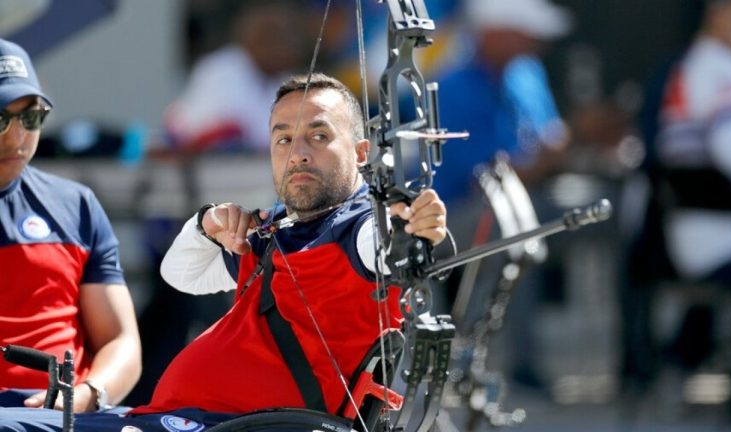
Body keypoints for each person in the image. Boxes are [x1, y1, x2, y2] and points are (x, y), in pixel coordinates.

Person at [0, 73, 448, 431]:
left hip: (244, 424)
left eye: (319, 136)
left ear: (362, 152)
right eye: (283, 139)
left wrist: (414, 224)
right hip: (177, 417)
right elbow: (183, 276)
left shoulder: (358, 230)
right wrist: (205, 224)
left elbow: (390, 243)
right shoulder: (278, 228)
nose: (298, 154)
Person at [633, 0, 731, 409]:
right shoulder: (720, 66)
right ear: (722, 16)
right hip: (720, 240)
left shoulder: (710, 64)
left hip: (713, 236)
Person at [433, 0, 572, 389]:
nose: (535, 44)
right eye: (525, 34)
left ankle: (638, 365)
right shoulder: (450, 86)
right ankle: (479, 360)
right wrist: (547, 159)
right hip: (451, 215)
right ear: (493, 33)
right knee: (512, 234)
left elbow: (550, 138)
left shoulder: (526, 73)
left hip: (525, 199)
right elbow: (479, 177)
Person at [0, 38, 142, 412]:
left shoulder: (76, 205)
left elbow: (121, 340)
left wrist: (88, 396)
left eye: (31, 117)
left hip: (67, 418)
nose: (16, 137)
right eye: (0, 119)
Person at [161, 0, 309, 153]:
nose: (293, 48)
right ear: (259, 40)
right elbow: (222, 134)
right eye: (280, 39)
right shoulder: (222, 69)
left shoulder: (280, 80)